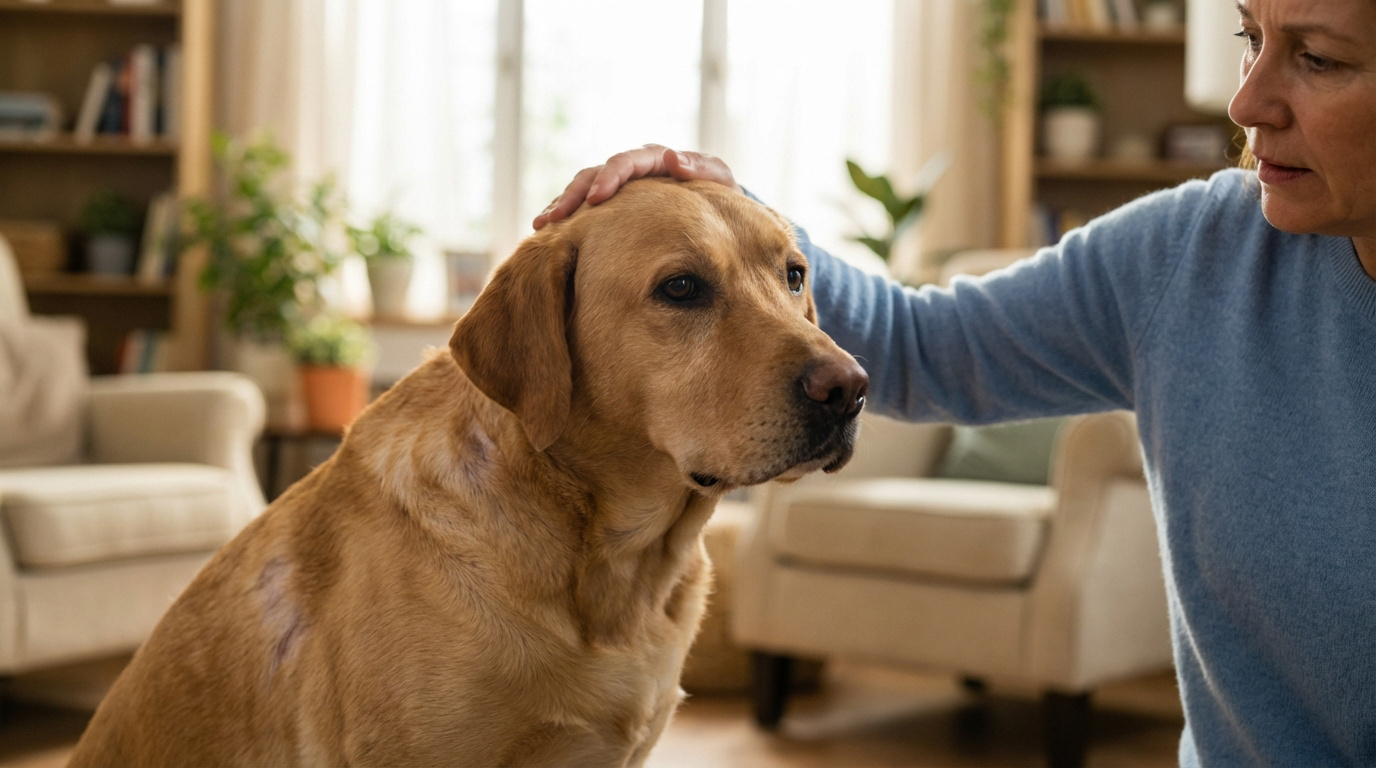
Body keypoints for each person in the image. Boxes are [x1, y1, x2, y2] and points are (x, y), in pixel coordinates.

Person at [531, 0, 1376, 764]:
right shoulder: (1192, 257)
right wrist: (719, 203)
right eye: (1250, 39)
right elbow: (922, 345)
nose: (1247, 102)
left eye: (1320, 60)